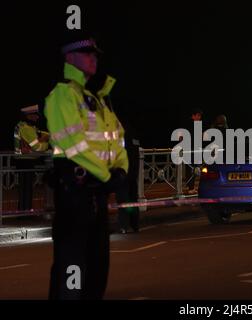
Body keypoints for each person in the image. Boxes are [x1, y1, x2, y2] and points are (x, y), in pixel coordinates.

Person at [44, 32, 128, 300]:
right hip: (74, 195)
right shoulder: (62, 95)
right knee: (72, 270)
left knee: (97, 269)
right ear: (70, 58)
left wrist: (121, 170)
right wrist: (106, 175)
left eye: (95, 55)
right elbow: (73, 144)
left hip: (97, 194)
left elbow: (118, 139)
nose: (93, 59)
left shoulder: (100, 100)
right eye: (87, 54)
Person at [14, 104, 50, 211]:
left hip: (23, 160)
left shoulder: (24, 126)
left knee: (25, 188)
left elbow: (43, 134)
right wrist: (47, 145)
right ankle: (24, 213)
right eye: (35, 115)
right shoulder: (26, 129)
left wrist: (46, 136)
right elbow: (38, 147)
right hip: (26, 160)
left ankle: (24, 211)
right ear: (29, 116)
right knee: (26, 188)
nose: (37, 117)